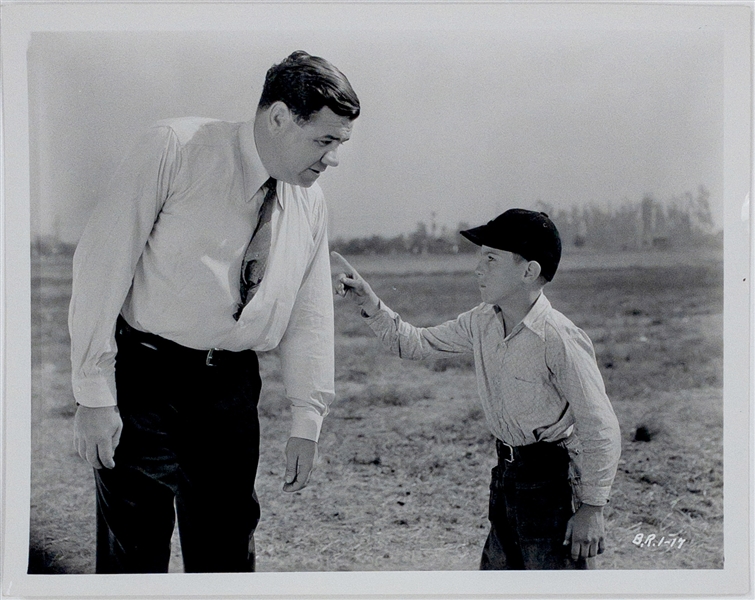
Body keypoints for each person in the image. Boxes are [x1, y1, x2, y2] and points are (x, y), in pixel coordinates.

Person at [69, 50, 360, 573]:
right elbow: (101, 264)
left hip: (230, 394)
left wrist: (307, 416)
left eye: (340, 144)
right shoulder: (175, 148)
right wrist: (93, 395)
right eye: (324, 140)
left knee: (226, 552)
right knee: (133, 554)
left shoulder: (310, 202)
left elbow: (311, 313)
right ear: (277, 117)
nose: (332, 158)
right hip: (145, 380)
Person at [332, 209, 622, 570]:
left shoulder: (559, 338)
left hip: (553, 485)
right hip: (506, 479)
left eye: (491, 259)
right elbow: (414, 343)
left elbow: (600, 426)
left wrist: (592, 509)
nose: (478, 268)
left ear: (528, 271)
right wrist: (369, 301)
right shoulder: (482, 320)